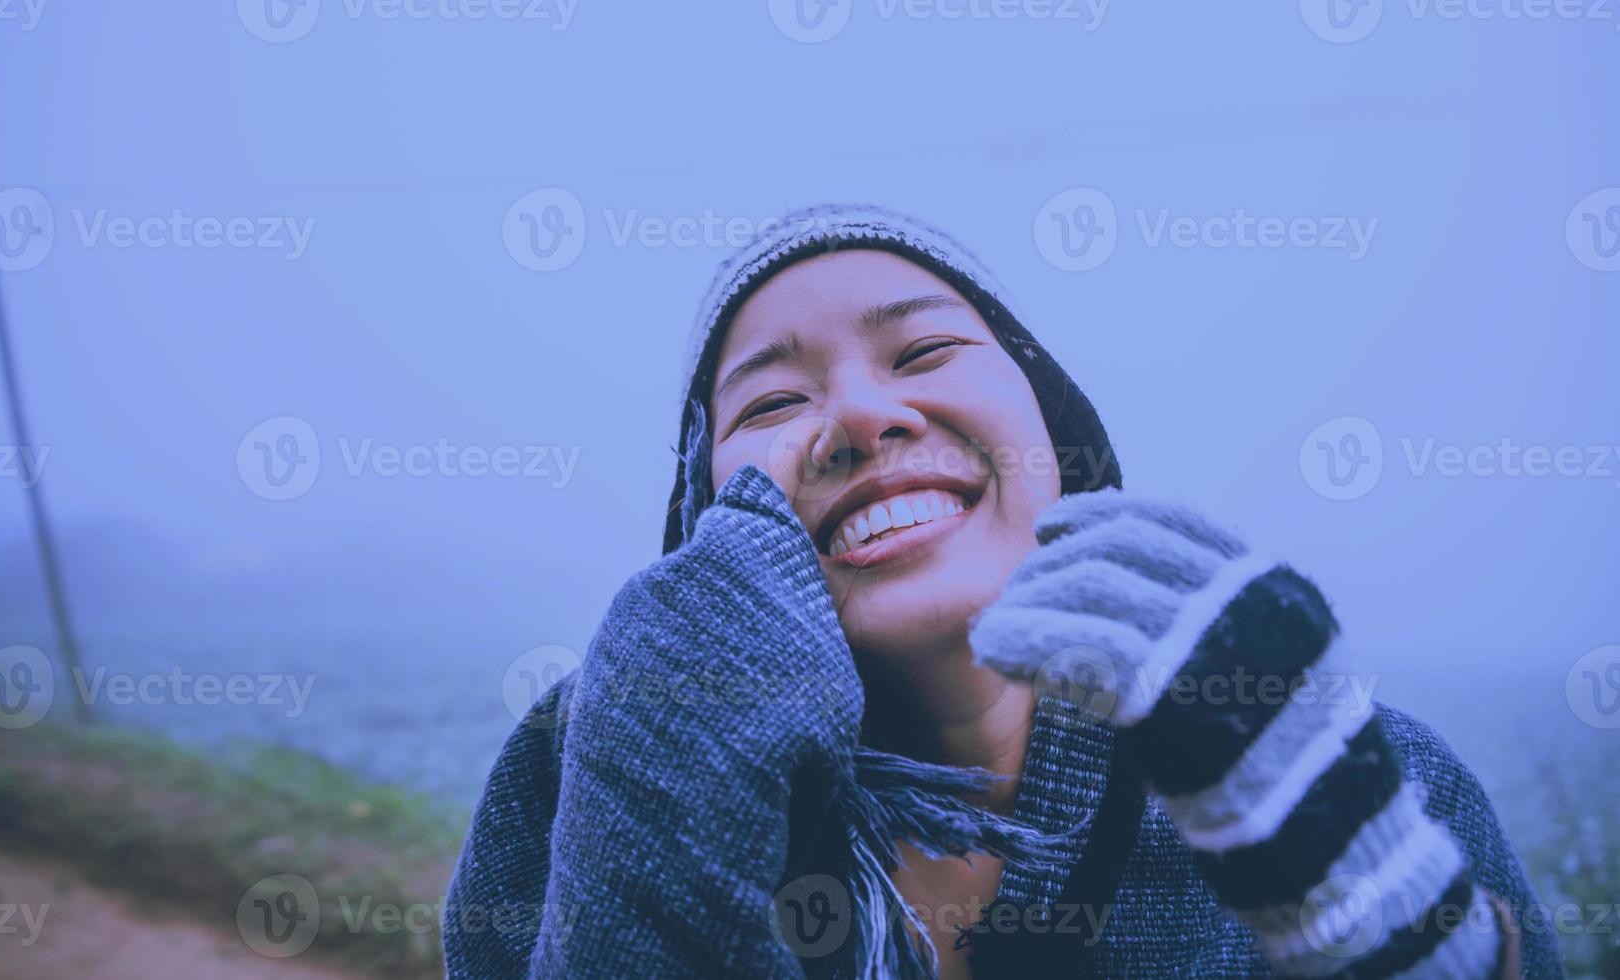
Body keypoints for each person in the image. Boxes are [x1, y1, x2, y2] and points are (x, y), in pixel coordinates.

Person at [442, 205, 1557, 978]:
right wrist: (668, 759)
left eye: (922, 351)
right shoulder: (577, 774)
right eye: (772, 404)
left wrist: (1398, 939)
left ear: (1054, 434)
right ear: (705, 520)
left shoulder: (1350, 775)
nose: (859, 418)